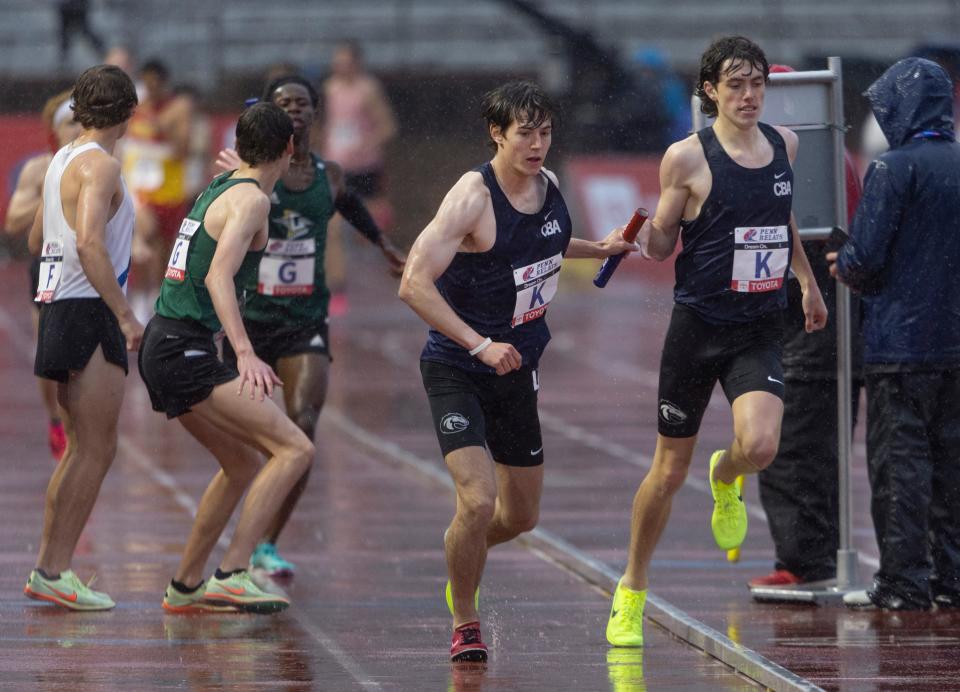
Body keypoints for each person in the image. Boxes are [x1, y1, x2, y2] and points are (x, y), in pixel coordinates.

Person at [399, 80, 638, 662]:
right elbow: (413, 283)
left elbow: (545, 246)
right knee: (478, 502)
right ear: (497, 134)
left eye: (546, 132)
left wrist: (601, 249)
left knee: (521, 517)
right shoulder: (471, 199)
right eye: (524, 133)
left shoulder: (550, 186)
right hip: (458, 365)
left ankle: (463, 558)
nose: (537, 144)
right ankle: (465, 618)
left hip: (518, 368)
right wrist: (480, 344)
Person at [604, 36, 827, 647]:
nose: (748, 95)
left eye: (756, 83)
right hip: (697, 331)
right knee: (667, 472)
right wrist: (645, 231)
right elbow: (659, 247)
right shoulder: (686, 158)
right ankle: (632, 587)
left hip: (758, 327)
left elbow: (780, 220)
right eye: (735, 84)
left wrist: (806, 281)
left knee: (758, 446)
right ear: (710, 91)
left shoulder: (787, 145)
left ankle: (725, 476)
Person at [216, 74, 406, 578]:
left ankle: (265, 544)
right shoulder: (251, 173)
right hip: (253, 318)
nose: (295, 111)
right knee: (254, 440)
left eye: (303, 104)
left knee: (303, 425)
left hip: (304, 318)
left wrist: (386, 248)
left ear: (315, 112)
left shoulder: (332, 175)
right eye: (285, 103)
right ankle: (240, 523)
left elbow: (353, 208)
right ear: (271, 112)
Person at [137, 102, 315, 614]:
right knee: (295, 449)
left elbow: (251, 183)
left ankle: (188, 584)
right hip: (185, 347)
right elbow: (218, 276)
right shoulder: (252, 201)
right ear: (288, 149)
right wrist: (246, 353)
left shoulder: (230, 183)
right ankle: (234, 573)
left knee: (241, 463)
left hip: (164, 342)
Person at [828, 57, 960, 611]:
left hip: (899, 348)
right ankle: (952, 579)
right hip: (955, 349)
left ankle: (904, 583)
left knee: (900, 467)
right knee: (953, 468)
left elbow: (864, 259)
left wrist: (843, 263)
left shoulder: (891, 169)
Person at [23, 64, 142, 610]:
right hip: (90, 308)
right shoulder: (101, 166)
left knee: (80, 448)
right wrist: (124, 314)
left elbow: (35, 236)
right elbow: (91, 243)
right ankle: (54, 567)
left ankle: (50, 567)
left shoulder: (60, 162)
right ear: (128, 114)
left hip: (59, 307)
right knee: (97, 448)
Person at [749, 63, 865, 588]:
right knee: (818, 443)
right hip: (838, 315)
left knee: (792, 442)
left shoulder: (780, 158)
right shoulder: (835, 155)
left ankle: (803, 561)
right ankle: (809, 555)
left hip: (808, 310)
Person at [5, 89, 83, 461]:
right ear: (53, 131)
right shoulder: (39, 169)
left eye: (83, 121)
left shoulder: (103, 165)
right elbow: (14, 223)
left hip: (90, 266)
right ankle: (56, 417)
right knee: (50, 352)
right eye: (69, 123)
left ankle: (82, 420)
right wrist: (55, 190)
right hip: (50, 266)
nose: (78, 129)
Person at [121, 58, 195, 310]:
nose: (150, 90)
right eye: (147, 84)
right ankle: (141, 297)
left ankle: (157, 298)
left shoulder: (179, 108)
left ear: (164, 84)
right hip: (141, 189)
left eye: (155, 85)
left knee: (164, 249)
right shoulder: (136, 106)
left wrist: (160, 127)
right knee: (145, 238)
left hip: (170, 188)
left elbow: (183, 150)